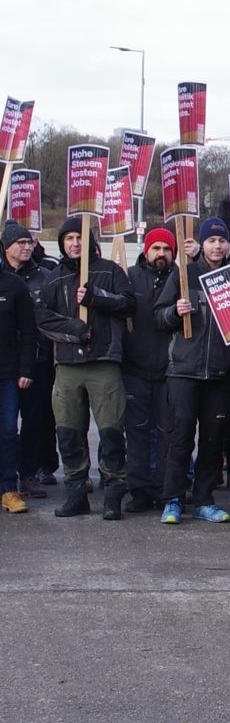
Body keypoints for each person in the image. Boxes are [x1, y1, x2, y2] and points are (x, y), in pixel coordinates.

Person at [155, 218, 230, 525]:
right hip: (184, 372)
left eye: (222, 241)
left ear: (229, 245)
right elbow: (158, 317)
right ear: (202, 244)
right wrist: (175, 312)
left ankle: (204, 499)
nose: (217, 246)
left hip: (220, 374)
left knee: (213, 440)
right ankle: (173, 498)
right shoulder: (184, 274)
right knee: (181, 437)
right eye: (211, 241)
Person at [34, 216, 136, 519]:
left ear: (90, 241)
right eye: (69, 239)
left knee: (112, 434)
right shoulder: (53, 278)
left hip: (104, 362)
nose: (75, 243)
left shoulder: (110, 271)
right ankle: (76, 492)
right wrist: (75, 329)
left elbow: (129, 304)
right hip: (67, 365)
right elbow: (42, 318)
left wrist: (96, 298)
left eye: (80, 238)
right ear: (62, 243)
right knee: (67, 433)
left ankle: (113, 495)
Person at [121, 227, 178, 512]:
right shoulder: (130, 277)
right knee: (138, 433)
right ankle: (139, 489)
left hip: (170, 371)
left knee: (168, 433)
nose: (161, 254)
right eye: (156, 248)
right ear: (146, 251)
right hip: (135, 369)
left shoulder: (181, 278)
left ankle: (164, 488)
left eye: (166, 249)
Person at [0, 234, 37, 514]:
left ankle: (8, 490)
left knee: (8, 432)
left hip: (7, 373)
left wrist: (25, 368)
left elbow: (28, 331)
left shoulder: (13, 285)